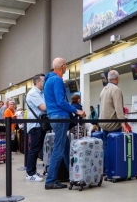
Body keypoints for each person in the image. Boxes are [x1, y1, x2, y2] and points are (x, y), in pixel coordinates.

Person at [44, 57, 85, 190]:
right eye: (65, 65)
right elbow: (61, 101)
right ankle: (50, 180)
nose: (66, 67)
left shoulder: (49, 80)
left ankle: (73, 175)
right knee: (59, 149)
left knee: (66, 148)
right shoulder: (57, 80)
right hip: (60, 117)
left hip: (53, 117)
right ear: (62, 66)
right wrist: (77, 111)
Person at [25, 73, 47, 182]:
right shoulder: (33, 93)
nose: (45, 83)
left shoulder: (40, 93)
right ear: (38, 82)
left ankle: (32, 170)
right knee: (34, 149)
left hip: (39, 125)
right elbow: (43, 107)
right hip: (35, 125)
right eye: (43, 81)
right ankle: (30, 173)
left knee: (36, 149)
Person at [99, 70, 129, 145]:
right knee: (115, 148)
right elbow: (119, 109)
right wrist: (123, 123)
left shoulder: (103, 90)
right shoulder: (116, 90)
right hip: (113, 125)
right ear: (117, 78)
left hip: (103, 124)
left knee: (106, 147)